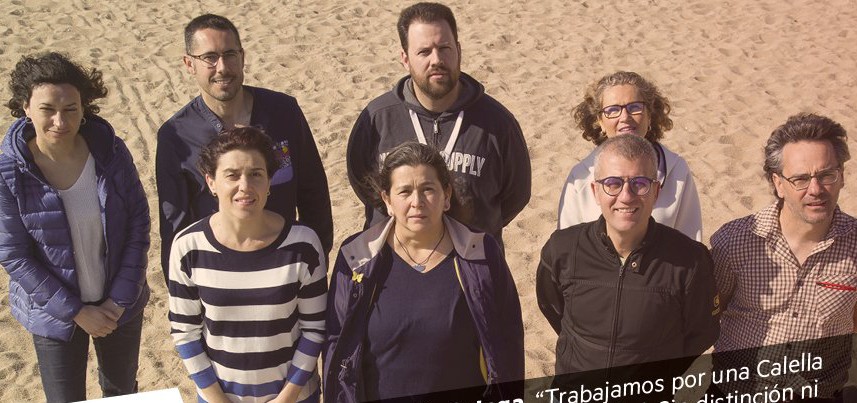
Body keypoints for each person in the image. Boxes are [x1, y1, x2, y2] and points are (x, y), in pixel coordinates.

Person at [0, 52, 149, 402]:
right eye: (47, 109)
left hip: (119, 305)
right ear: (26, 107)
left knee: (122, 393)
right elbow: (14, 254)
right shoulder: (8, 172)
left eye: (70, 108)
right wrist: (77, 312)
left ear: (84, 108)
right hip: (54, 315)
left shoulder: (111, 152)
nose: (59, 121)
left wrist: (119, 299)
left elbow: (138, 223)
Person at [325, 142, 524, 402]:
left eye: (428, 189)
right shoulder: (356, 257)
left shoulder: (481, 254)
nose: (417, 202)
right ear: (387, 200)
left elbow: (508, 342)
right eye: (404, 191)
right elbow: (336, 347)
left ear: (446, 195)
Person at [157, 13, 332, 284]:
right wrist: (181, 286)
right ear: (189, 64)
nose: (222, 67)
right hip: (217, 278)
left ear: (242, 56)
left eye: (229, 54)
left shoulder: (284, 111)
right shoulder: (176, 135)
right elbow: (174, 224)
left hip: (286, 268)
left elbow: (313, 192)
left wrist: (317, 259)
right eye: (209, 58)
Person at [346, 2, 531, 247]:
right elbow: (364, 185)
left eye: (444, 48)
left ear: (459, 51)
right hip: (395, 257)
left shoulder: (497, 123)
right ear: (405, 59)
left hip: (473, 259)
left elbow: (516, 196)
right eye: (424, 52)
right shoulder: (377, 119)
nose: (437, 60)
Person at [537, 134, 719, 377]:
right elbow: (552, 308)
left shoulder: (690, 261)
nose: (626, 196)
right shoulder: (562, 249)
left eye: (639, 183)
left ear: (656, 191)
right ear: (595, 191)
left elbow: (701, 332)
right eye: (612, 184)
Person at [169, 127, 326, 403]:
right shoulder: (188, 246)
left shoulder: (303, 244)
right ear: (211, 182)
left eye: (256, 174)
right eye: (232, 175)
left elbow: (314, 330)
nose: (245, 186)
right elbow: (185, 334)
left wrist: (286, 398)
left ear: (269, 182)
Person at [710, 113, 855, 401]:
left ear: (841, 176)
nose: (816, 190)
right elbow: (708, 315)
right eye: (800, 179)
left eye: (827, 175)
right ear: (778, 183)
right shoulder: (734, 241)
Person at [558, 71, 702, 241]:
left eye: (635, 107)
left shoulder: (677, 171)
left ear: (650, 115)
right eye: (613, 110)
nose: (625, 117)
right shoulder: (580, 177)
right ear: (600, 121)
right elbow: (566, 246)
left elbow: (690, 242)